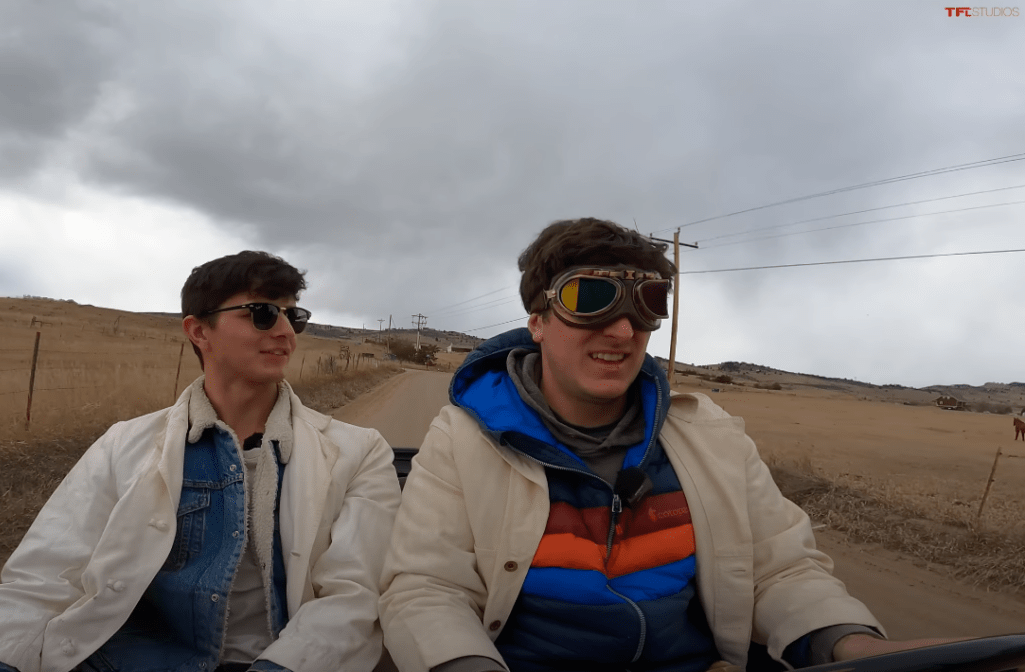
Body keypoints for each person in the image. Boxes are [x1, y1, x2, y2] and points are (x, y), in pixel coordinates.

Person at [378, 219, 949, 672]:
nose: (623, 330)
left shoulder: (711, 437)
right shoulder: (463, 439)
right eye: (590, 297)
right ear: (538, 321)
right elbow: (428, 589)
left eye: (648, 302)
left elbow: (780, 571)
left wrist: (852, 646)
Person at [0, 251, 402, 672]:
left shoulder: (359, 451)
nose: (284, 332)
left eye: (293, 316)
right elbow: (44, 578)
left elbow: (353, 598)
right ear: (199, 332)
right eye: (262, 313)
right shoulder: (123, 445)